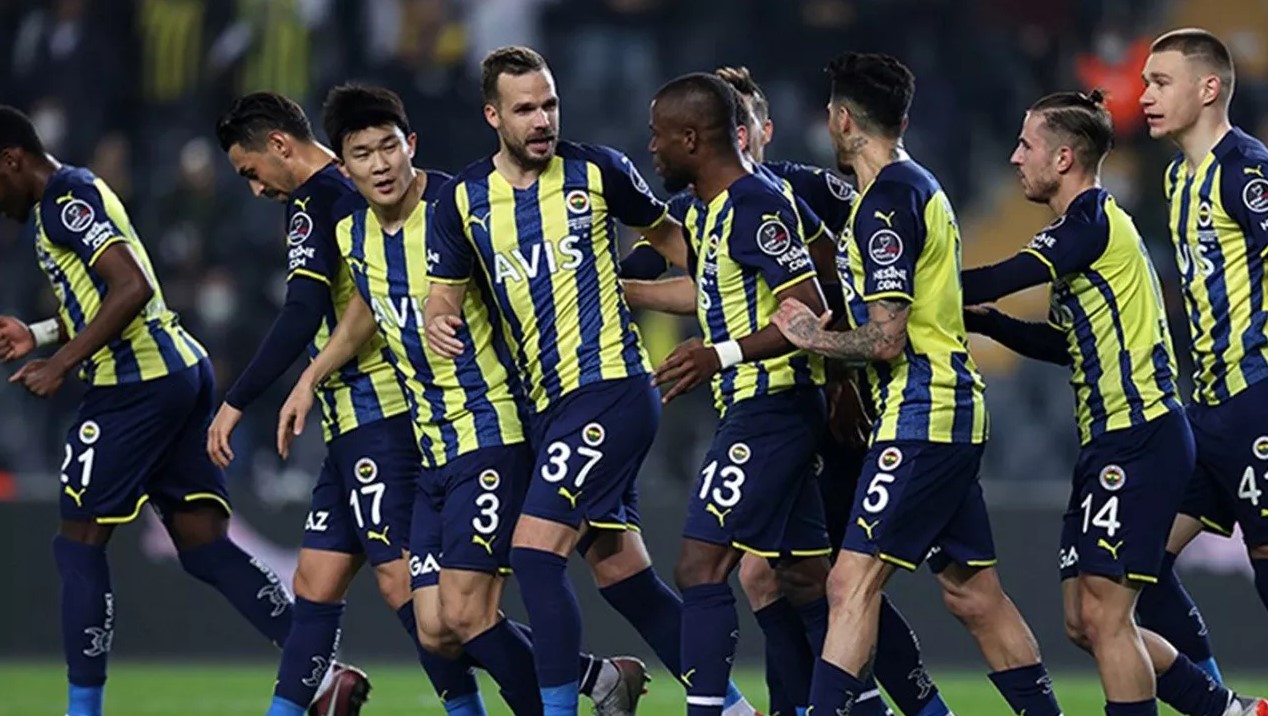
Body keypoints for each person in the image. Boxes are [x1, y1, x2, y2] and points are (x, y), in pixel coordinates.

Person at [276, 82, 648, 716]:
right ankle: (600, 679)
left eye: (389, 147)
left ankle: (577, 695)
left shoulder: (457, 206)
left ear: (411, 145)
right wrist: (310, 378)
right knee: (434, 627)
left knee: (471, 613)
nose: (380, 165)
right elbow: (368, 305)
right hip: (432, 447)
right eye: (363, 154)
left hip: (492, 430)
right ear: (345, 166)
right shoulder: (351, 234)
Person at [424, 46, 756, 716]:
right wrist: (438, 320)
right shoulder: (462, 201)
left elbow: (682, 248)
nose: (542, 120)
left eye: (549, 104)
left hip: (611, 389)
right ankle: (734, 708)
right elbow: (443, 297)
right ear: (494, 116)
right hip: (548, 409)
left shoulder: (597, 171)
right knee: (622, 576)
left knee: (535, 555)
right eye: (525, 109)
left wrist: (721, 285)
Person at [769, 52, 1062, 716]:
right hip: (946, 410)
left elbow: (887, 338)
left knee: (849, 582)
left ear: (843, 120)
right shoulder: (914, 187)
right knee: (972, 594)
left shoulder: (886, 204)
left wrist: (813, 339)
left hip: (923, 413)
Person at [962, 88, 1267, 716]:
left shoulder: (1090, 223)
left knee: (1106, 617)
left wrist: (912, 289)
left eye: (1026, 145)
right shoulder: (1082, 234)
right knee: (1084, 620)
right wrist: (988, 322)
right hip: (1109, 441)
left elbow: (1004, 276)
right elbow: (1068, 346)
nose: (1016, 158)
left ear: (1064, 157)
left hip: (1141, 436)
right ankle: (1227, 709)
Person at [0, 105, 294, 716]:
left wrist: (61, 364)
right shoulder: (76, 191)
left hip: (135, 385)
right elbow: (110, 297)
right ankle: (318, 664)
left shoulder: (64, 201)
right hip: (176, 372)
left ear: (10, 160)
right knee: (203, 543)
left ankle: (82, 711)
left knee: (78, 544)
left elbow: (131, 288)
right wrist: (41, 334)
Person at [212, 92, 478, 716]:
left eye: (251, 171)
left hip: (378, 411)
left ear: (279, 145)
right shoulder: (345, 192)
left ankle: (581, 676)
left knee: (410, 590)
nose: (255, 189)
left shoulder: (320, 197)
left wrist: (237, 400)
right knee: (315, 583)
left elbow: (305, 308)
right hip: (348, 420)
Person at [637, 71, 894, 716]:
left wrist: (718, 354)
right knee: (803, 578)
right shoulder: (716, 209)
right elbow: (814, 268)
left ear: (691, 139)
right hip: (761, 409)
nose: (652, 148)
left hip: (771, 409)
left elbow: (808, 308)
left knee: (699, 567)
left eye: (659, 136)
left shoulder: (756, 203)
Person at [1140, 26, 1268, 627]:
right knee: (1133, 564)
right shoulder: (1176, 179)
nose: (1146, 96)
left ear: (1209, 89)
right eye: (1146, 83)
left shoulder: (1246, 172)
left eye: (1161, 82)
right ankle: (1209, 684)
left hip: (1256, 399)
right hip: (1207, 409)